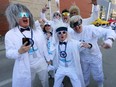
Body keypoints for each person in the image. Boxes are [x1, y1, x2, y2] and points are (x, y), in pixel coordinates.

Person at [5, 3, 51, 87]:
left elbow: (43, 46)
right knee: (28, 84)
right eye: (21, 15)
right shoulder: (10, 34)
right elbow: (8, 53)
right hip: (26, 66)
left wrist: (47, 59)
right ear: (15, 18)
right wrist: (18, 51)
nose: (25, 17)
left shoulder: (36, 30)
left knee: (45, 81)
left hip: (41, 62)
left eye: (26, 14)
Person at [69, 15, 116, 87]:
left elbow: (109, 31)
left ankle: (100, 84)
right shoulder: (71, 33)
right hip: (83, 58)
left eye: (78, 25)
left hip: (94, 56)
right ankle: (85, 84)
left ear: (81, 23)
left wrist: (109, 40)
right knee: (84, 74)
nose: (77, 28)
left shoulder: (90, 29)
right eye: (74, 26)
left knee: (98, 73)